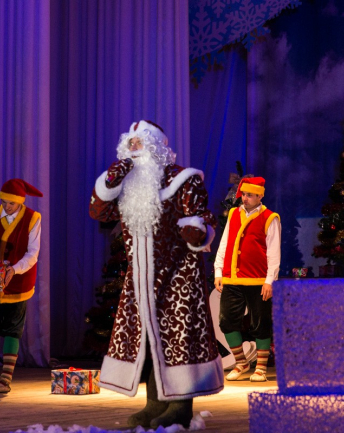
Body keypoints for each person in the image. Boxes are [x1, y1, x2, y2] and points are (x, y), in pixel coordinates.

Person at [89, 120, 224, 429]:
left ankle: (180, 407)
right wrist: (110, 181)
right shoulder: (128, 186)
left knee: (178, 340)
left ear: (156, 147)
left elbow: (203, 218)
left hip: (178, 278)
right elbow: (98, 212)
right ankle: (154, 404)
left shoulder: (184, 179)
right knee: (149, 342)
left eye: (140, 143)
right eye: (130, 144)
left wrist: (197, 230)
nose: (134, 148)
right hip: (139, 280)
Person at [0, 178, 43, 394]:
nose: (6, 206)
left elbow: (32, 253)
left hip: (18, 280)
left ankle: (5, 378)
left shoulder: (32, 218)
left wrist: (14, 269)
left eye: (11, 203)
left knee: (13, 329)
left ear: (20, 202)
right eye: (4, 202)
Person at [213, 177, 281, 382]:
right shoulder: (234, 213)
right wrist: (218, 271)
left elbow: (274, 252)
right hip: (232, 279)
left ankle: (260, 368)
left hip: (258, 280)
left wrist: (270, 280)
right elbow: (224, 243)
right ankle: (241, 362)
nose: (245, 198)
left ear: (260, 196)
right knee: (226, 321)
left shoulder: (269, 218)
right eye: (243, 194)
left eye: (250, 195)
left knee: (260, 323)